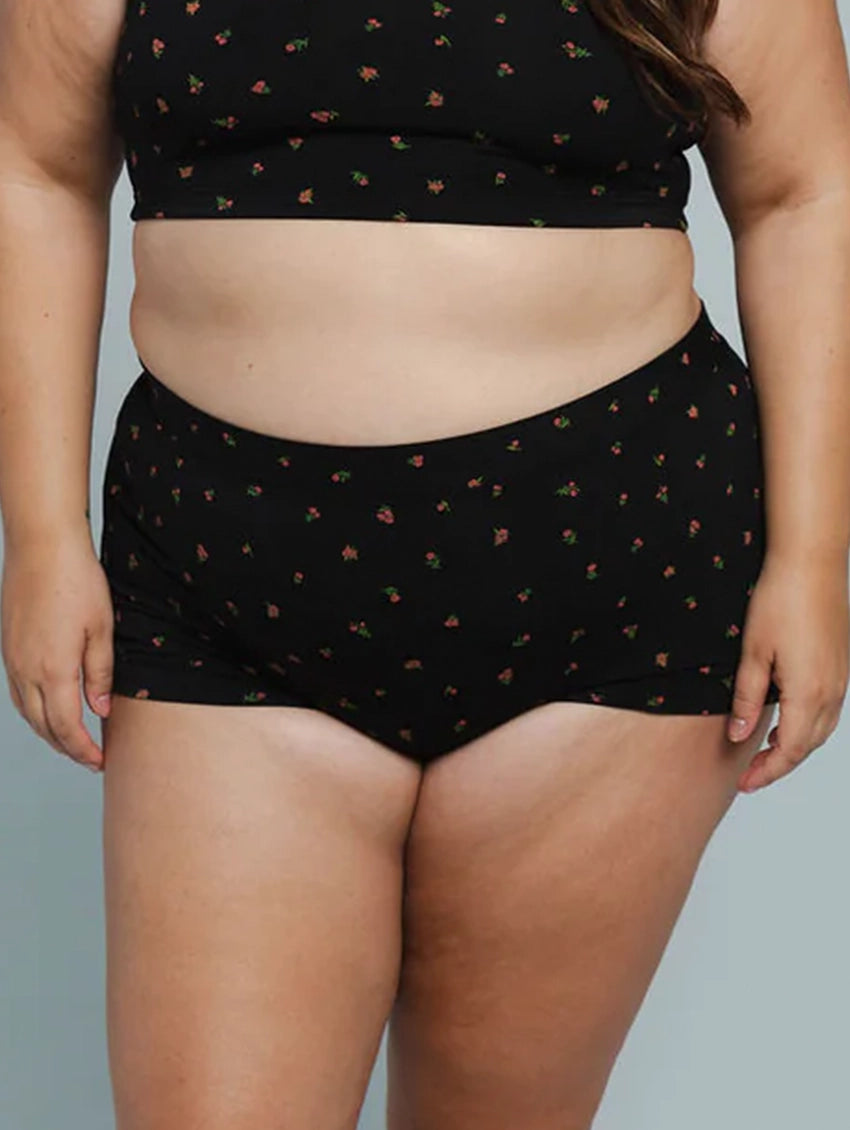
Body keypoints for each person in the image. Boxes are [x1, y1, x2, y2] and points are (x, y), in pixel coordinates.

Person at [1, 0, 849, 1126]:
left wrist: (813, 558)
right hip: (223, 576)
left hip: (615, 573)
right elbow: (35, 170)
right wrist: (42, 535)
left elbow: (803, 195)